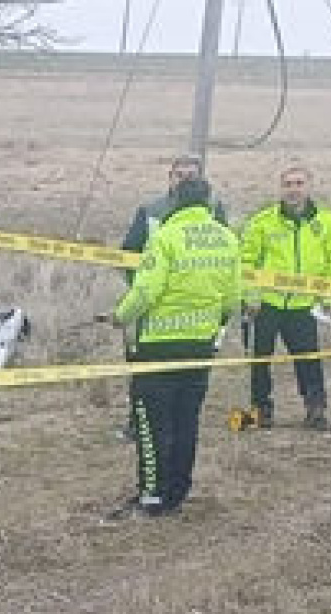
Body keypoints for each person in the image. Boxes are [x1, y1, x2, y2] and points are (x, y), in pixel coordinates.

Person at [107, 177, 241, 518]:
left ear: (175, 201)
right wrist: (211, 326)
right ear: (208, 202)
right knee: (186, 422)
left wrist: (120, 316)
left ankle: (152, 496)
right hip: (200, 347)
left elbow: (145, 292)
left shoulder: (165, 237)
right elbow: (231, 298)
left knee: (152, 424)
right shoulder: (227, 238)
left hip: (158, 347)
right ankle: (178, 493)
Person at [116, 155, 229, 441]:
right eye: (180, 175)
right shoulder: (150, 210)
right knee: (144, 372)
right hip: (152, 309)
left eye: (191, 175)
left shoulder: (215, 212)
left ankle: (177, 425)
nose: (185, 180)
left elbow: (227, 263)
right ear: (170, 178)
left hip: (200, 312)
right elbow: (128, 253)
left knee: (188, 384)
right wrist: (138, 290)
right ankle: (138, 422)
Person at [240, 163, 331, 429]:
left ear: (309, 186)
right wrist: (251, 297)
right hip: (267, 304)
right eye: (288, 184)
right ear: (280, 188)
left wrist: (327, 298)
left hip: (303, 305)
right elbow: (247, 262)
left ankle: (315, 409)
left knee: (308, 358)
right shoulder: (262, 222)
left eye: (299, 183)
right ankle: (261, 410)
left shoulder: (325, 220)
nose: (293, 189)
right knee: (261, 360)